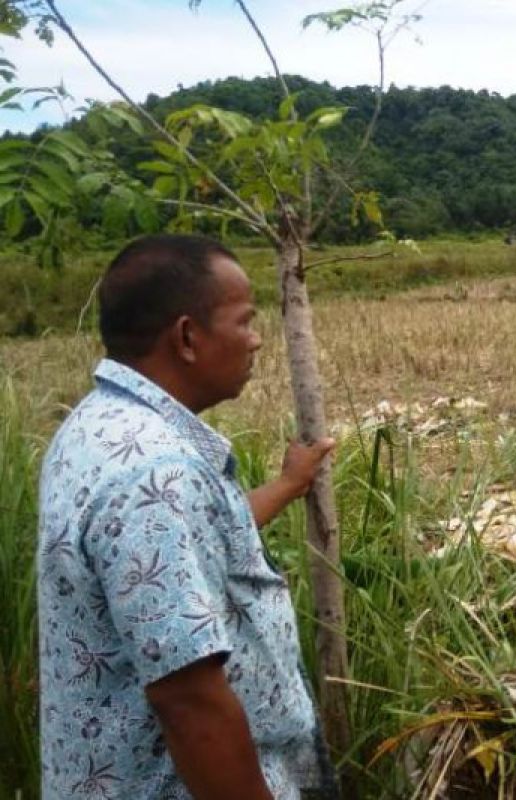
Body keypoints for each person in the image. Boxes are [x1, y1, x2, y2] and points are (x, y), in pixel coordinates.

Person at [37, 234, 337, 799]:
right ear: (187, 337)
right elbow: (190, 704)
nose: (256, 341)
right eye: (245, 321)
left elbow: (187, 553)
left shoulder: (100, 428)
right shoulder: (155, 476)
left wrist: (287, 485)